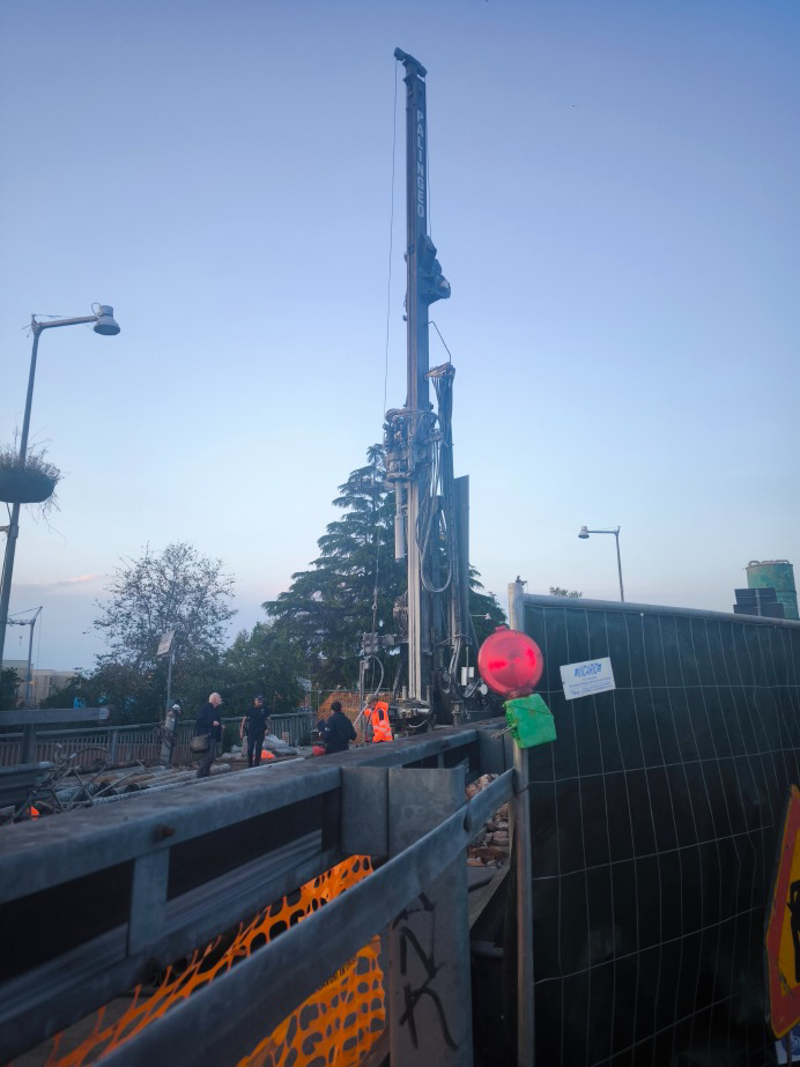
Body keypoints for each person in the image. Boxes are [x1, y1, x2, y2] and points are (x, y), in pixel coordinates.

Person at [194, 692, 223, 778]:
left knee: (210, 757)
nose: (221, 699)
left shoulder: (216, 709)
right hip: (206, 736)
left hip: (213, 736)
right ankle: (199, 775)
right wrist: (212, 723)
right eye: (219, 698)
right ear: (214, 699)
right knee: (207, 757)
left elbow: (216, 722)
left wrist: (220, 726)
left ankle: (206, 775)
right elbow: (200, 720)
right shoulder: (205, 708)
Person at [240, 694, 269, 768]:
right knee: (250, 748)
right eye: (259, 700)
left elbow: (268, 718)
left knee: (258, 748)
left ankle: (257, 763)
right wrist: (241, 730)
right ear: (255, 701)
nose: (260, 702)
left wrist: (268, 729)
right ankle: (250, 763)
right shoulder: (250, 708)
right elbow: (244, 719)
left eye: (261, 700)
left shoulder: (264, 708)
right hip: (251, 731)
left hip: (261, 730)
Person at [160, 702, 181, 767]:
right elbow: (179, 713)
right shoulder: (175, 711)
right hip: (170, 732)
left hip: (171, 732)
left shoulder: (172, 711)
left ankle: (166, 762)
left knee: (170, 747)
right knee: (169, 747)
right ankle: (165, 763)